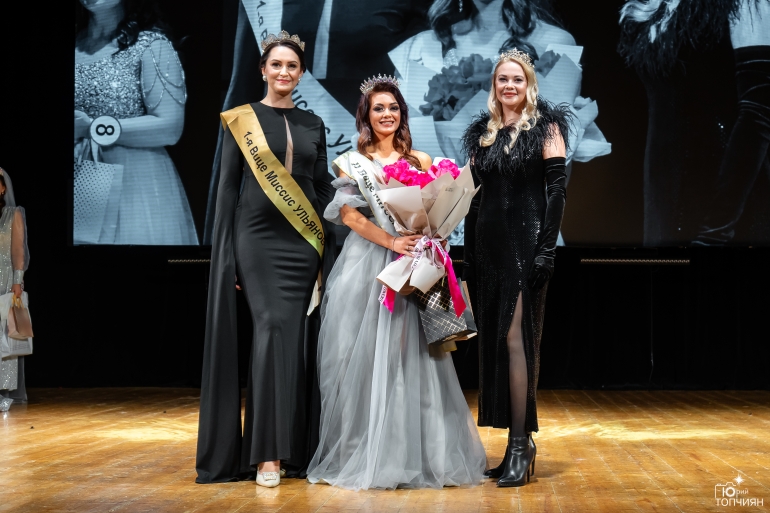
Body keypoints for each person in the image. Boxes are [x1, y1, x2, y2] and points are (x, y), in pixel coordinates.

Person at [306, 76, 486, 490]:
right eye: (378, 108)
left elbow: (435, 207)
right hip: (369, 264)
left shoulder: (421, 159)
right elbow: (349, 216)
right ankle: (372, 455)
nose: (386, 114)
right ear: (366, 116)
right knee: (366, 357)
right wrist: (391, 241)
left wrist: (434, 235)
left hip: (415, 265)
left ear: (402, 114)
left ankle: (420, 456)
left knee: (416, 356)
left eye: (393, 108)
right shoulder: (352, 162)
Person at [196, 31, 336, 488]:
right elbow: (226, 190)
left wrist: (336, 239)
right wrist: (226, 256)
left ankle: (294, 450)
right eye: (276, 64)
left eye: (292, 66)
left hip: (303, 244)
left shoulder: (314, 123)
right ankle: (267, 454)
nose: (283, 72)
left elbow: (321, 189)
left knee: (293, 342)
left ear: (301, 73)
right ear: (262, 69)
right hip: (255, 241)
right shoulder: (240, 119)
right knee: (271, 331)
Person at [390, 0, 610, 246]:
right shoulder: (422, 47)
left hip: (522, 229)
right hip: (440, 233)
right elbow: (400, 143)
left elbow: (558, 155)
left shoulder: (555, 42)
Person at [461, 49, 570, 487]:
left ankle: (522, 446)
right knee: (497, 345)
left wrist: (546, 250)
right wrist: (468, 255)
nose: (510, 86)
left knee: (516, 340)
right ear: (495, 85)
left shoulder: (548, 127)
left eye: (517, 79)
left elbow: (557, 193)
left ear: (529, 85)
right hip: (487, 250)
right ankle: (512, 446)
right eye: (503, 79)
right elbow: (471, 198)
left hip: (525, 247)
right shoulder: (482, 134)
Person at [75, 0, 198, 245]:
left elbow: (169, 127)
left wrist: (92, 128)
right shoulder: (75, 43)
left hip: (131, 178)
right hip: (80, 171)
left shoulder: (151, 46)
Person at [0, 169, 30, 412]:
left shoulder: (14, 214)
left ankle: (3, 392)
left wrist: (18, 282)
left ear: (3, 188)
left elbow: (18, 249)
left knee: (6, 336)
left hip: (5, 281)